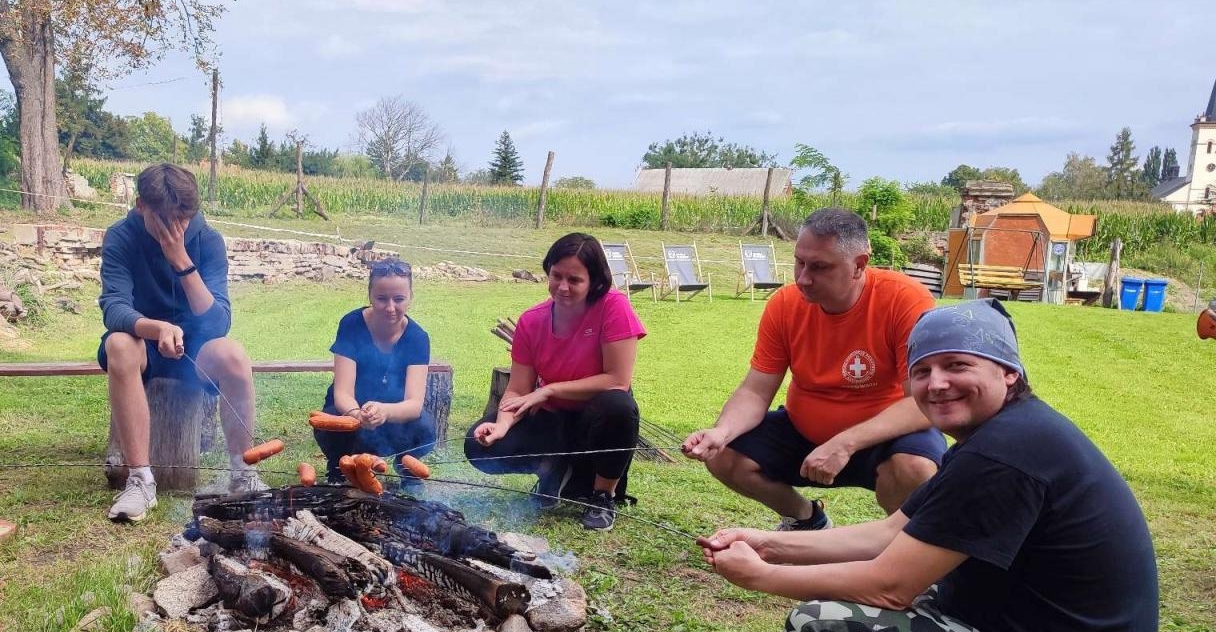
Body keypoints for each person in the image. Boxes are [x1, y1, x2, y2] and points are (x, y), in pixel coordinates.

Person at [698, 300, 1158, 632]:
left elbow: (889, 586)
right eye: (922, 370)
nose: (937, 382)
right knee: (890, 597)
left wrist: (760, 577)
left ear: (1008, 372)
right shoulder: (1005, 434)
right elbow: (890, 532)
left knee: (817, 629)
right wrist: (767, 544)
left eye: (957, 365)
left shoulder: (1004, 455)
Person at [684, 208, 942, 530]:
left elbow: (925, 401)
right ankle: (806, 518)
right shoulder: (784, 305)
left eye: (819, 267)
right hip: (804, 434)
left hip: (881, 437)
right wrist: (722, 432)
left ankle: (909, 549)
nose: (803, 278)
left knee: (915, 468)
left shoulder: (904, 299)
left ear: (859, 265)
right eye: (799, 262)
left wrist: (845, 442)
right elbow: (755, 389)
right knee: (723, 455)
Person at [99, 163, 262, 523]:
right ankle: (140, 480)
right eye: (168, 220)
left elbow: (218, 321)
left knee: (234, 354)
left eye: (185, 219)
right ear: (141, 205)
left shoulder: (208, 241)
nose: (178, 229)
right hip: (142, 343)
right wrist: (156, 328)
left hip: (196, 349)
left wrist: (182, 262)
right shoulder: (121, 237)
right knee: (118, 345)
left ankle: (242, 473)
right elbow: (114, 307)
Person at [465, 233, 645, 531]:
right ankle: (552, 467)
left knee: (619, 405)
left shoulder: (613, 307)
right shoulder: (532, 320)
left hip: (598, 423)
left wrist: (548, 390)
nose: (562, 287)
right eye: (556, 276)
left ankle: (602, 495)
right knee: (477, 445)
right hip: (554, 422)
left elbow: (617, 379)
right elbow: (519, 389)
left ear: (595, 281)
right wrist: (502, 425)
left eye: (574, 280)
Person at [314, 259, 435, 489]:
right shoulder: (351, 324)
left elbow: (414, 404)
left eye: (399, 299)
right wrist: (359, 415)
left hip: (393, 418)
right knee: (328, 422)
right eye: (382, 299)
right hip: (353, 413)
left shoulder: (418, 338)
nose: (390, 308)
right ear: (370, 295)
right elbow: (342, 393)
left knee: (425, 427)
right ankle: (340, 467)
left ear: (410, 297)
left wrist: (384, 412)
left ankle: (406, 467)